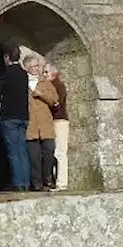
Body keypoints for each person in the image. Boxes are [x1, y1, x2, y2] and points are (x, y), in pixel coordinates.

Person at [0, 46, 31, 192]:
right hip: (24, 116)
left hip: (9, 117)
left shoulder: (6, 73)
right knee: (22, 149)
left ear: (7, 57)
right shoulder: (24, 74)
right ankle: (26, 183)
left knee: (13, 150)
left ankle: (18, 183)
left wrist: (4, 99)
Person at [25, 56, 59, 192]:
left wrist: (41, 94)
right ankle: (37, 183)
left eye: (38, 66)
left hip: (46, 125)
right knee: (34, 157)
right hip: (31, 126)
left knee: (49, 153)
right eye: (34, 66)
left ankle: (49, 179)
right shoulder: (23, 82)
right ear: (27, 68)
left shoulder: (45, 83)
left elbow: (55, 100)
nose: (38, 69)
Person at [45, 62, 69, 191]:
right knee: (55, 152)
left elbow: (57, 103)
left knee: (60, 152)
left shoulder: (58, 86)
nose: (44, 74)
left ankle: (62, 183)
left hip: (60, 121)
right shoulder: (52, 85)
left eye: (46, 72)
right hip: (55, 121)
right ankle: (56, 181)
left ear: (54, 73)